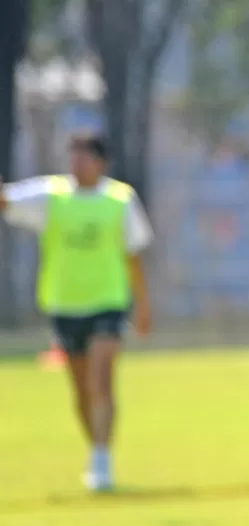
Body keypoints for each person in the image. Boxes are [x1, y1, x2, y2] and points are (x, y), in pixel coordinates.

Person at [0, 135, 154, 492]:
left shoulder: (119, 199)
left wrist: (143, 306)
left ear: (101, 162)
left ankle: (102, 458)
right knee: (81, 390)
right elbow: (7, 200)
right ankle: (95, 449)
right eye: (73, 158)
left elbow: (133, 256)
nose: (77, 164)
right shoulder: (52, 195)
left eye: (84, 158)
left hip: (108, 302)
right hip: (65, 304)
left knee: (101, 379)